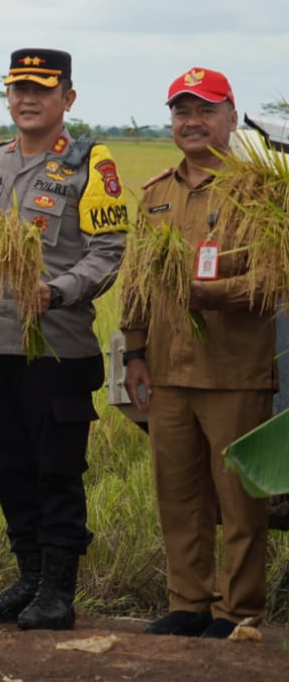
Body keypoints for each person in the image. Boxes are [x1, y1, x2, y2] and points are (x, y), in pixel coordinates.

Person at [0, 48, 127, 631]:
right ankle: (28, 578)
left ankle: (59, 591)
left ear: (68, 97)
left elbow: (108, 254)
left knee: (56, 471)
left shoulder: (90, 163)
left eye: (41, 88)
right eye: (18, 89)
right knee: (6, 466)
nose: (27, 99)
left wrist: (57, 291)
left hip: (56, 348)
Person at [121, 68, 278, 640]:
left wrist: (215, 294)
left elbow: (273, 278)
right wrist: (133, 352)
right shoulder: (157, 193)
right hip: (166, 370)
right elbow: (137, 277)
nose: (192, 121)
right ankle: (188, 603)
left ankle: (237, 613)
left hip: (234, 372)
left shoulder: (262, 190)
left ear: (231, 117)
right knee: (179, 496)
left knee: (238, 504)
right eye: (182, 112)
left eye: (206, 110)